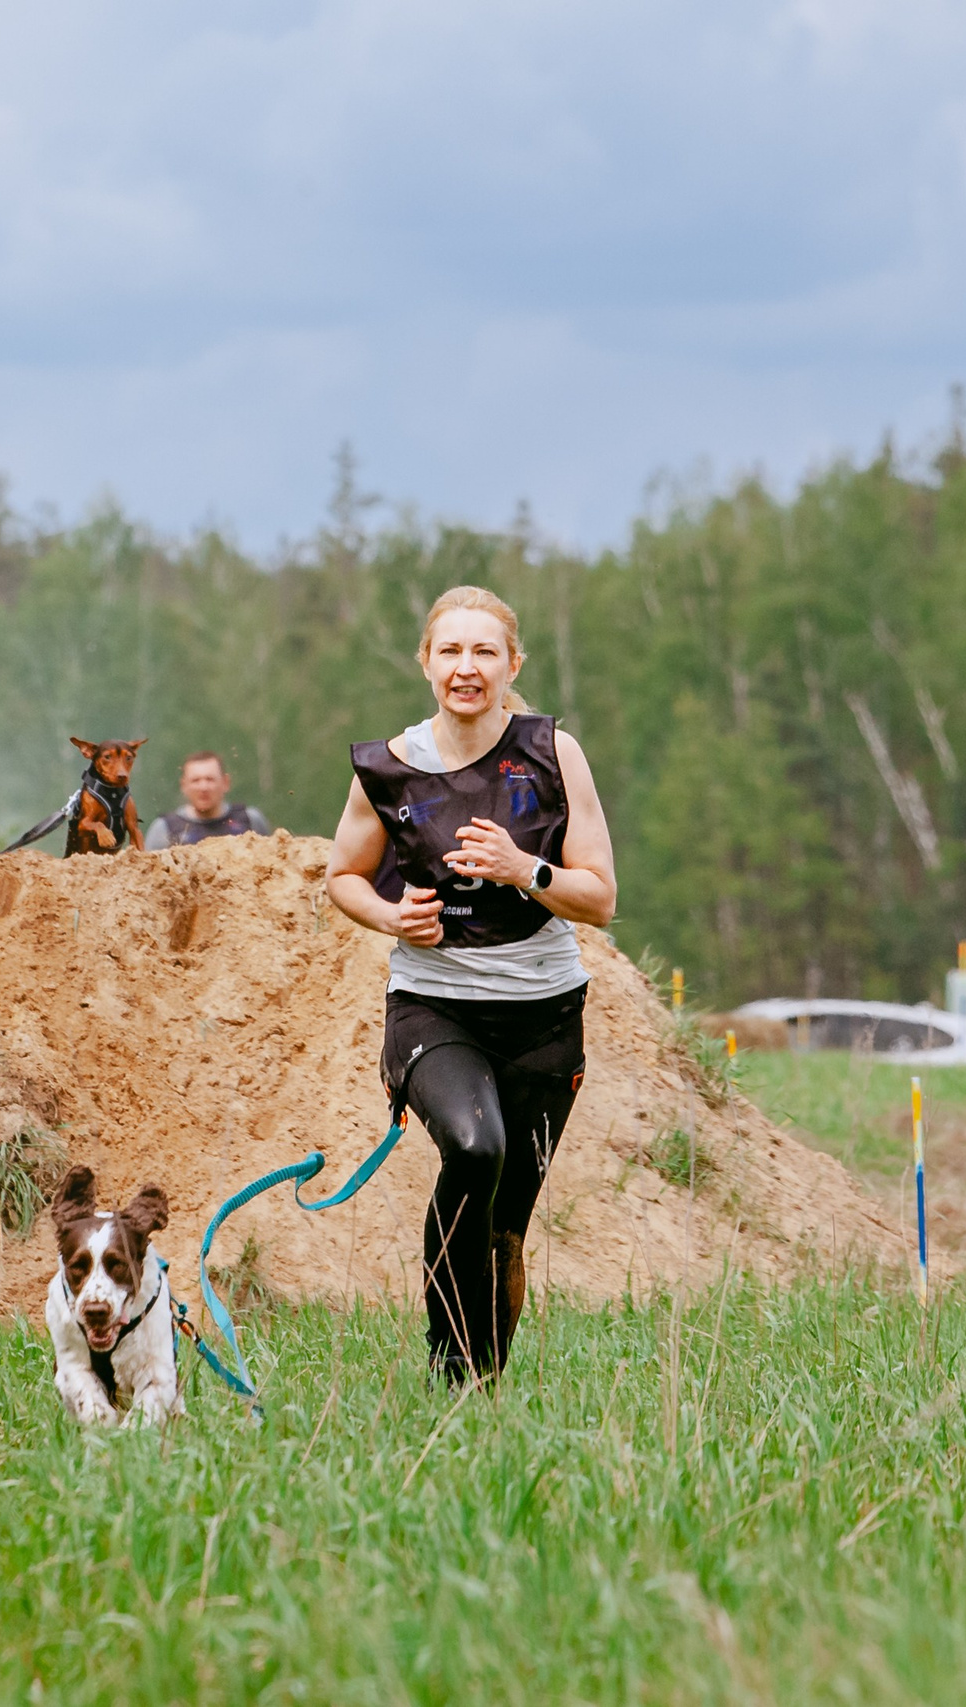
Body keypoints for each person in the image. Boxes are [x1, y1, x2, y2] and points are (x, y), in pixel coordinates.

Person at [323, 585, 617, 1386]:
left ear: (511, 664)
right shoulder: (389, 766)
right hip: (434, 1005)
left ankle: (481, 1386)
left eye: (484, 651)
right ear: (426, 663)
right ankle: (449, 1359)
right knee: (473, 1145)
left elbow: (601, 897)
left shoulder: (553, 753)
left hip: (546, 1016)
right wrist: (391, 916)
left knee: (506, 1229)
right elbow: (341, 877)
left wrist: (528, 869)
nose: (466, 667)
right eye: (450, 651)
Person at [143, 751, 272, 849]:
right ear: (184, 785)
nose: (203, 787)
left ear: (225, 782)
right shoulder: (164, 829)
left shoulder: (250, 821)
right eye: (195, 780)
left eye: (210, 779)